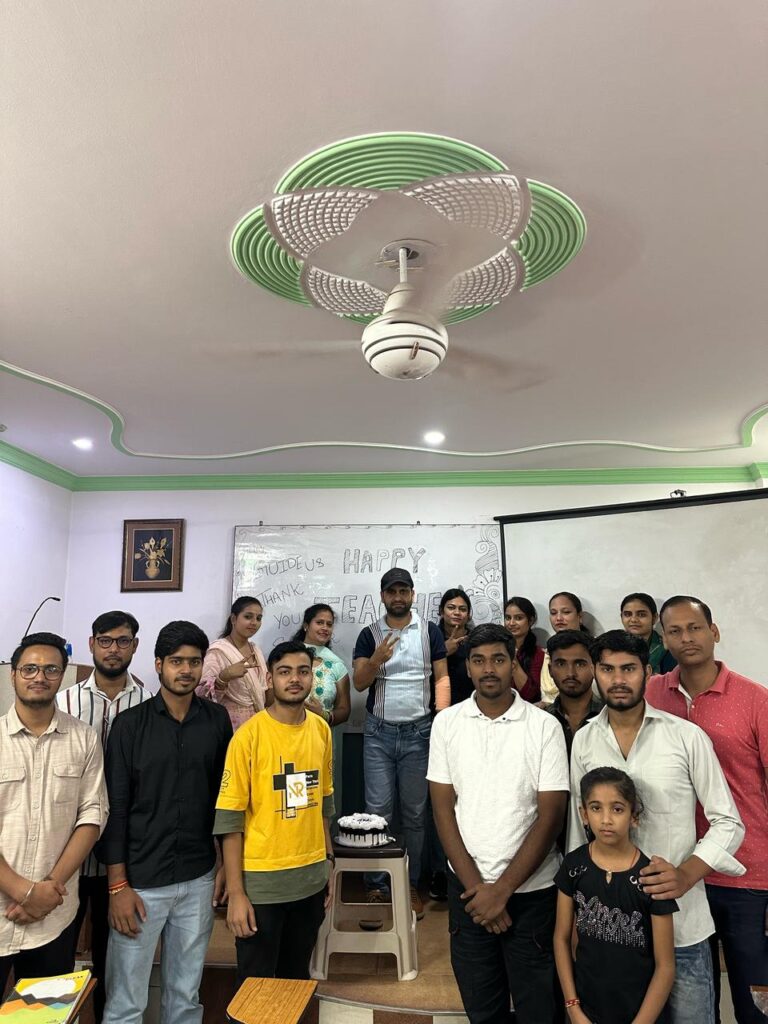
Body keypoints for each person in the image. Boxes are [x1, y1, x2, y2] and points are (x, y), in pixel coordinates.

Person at [569, 630, 746, 1024]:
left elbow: (728, 821)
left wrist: (686, 874)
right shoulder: (584, 741)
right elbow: (579, 834)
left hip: (682, 926)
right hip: (612, 929)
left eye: (628, 669)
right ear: (596, 673)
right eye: (608, 669)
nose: (618, 679)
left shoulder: (685, 737)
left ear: (647, 673)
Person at [428, 623, 569, 1024]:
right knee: (482, 1009)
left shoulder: (544, 726)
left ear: (513, 664)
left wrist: (502, 891)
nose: (488, 669)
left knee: (539, 1010)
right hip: (468, 893)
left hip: (532, 894)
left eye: (498, 659)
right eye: (478, 660)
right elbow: (443, 810)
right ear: (468, 667)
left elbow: (551, 815)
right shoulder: (447, 723)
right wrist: (479, 891)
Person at [99, 621, 233, 1024]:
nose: (186, 670)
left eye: (194, 662)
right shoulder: (129, 726)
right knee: (125, 1003)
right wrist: (117, 886)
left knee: (185, 998)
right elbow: (115, 809)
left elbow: (224, 799)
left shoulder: (216, 721)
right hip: (140, 882)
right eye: (176, 661)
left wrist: (224, 866)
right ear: (158, 664)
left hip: (198, 877)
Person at [648, 596, 768, 1024]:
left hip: (745, 873)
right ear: (664, 640)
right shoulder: (651, 695)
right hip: (677, 869)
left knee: (755, 996)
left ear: (714, 632)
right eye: (675, 631)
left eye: (695, 628)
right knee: (693, 1002)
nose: (686, 638)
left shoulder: (755, 699)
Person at [214, 641, 335, 983]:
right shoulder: (248, 737)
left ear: (311, 677)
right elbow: (230, 820)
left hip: (310, 882)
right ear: (269, 679)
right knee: (256, 989)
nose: (294, 679)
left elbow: (324, 803)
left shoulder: (321, 730)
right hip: (262, 887)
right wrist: (236, 893)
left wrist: (327, 861)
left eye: (302, 671)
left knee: (295, 982)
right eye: (284, 672)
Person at [55, 610, 151, 1024]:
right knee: (57, 952)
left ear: (135, 646)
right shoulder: (63, 702)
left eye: (123, 641)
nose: (114, 649)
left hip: (124, 855)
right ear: (92, 644)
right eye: (106, 640)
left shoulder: (149, 704)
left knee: (116, 955)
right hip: (67, 852)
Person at [0, 632, 107, 992]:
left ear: (62, 676)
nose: (39, 677)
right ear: (13, 674)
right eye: (29, 669)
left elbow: (93, 814)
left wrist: (48, 889)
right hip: (1, 909)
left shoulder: (84, 738)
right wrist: (24, 892)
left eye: (50, 669)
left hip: (54, 916)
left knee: (43, 1014)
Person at [353, 568, 448, 921]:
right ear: (382, 596)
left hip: (419, 734)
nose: (398, 597)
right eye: (391, 591)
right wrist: (376, 660)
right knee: (377, 812)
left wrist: (443, 720)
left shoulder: (429, 630)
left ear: (412, 594)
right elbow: (359, 683)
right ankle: (378, 886)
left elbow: (442, 678)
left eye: (403, 591)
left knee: (415, 815)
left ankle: (409, 884)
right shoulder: (369, 634)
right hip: (378, 734)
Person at [554, 767, 677, 1024]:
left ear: (634, 816)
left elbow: (665, 967)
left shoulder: (652, 878)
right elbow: (561, 938)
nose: (606, 819)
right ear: (584, 814)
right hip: (586, 1011)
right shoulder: (573, 866)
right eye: (596, 808)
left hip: (640, 1012)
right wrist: (573, 1008)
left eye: (617, 809)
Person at [196, 596, 269, 730]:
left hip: (257, 724)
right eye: (248, 617)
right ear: (234, 619)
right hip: (229, 725)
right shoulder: (218, 651)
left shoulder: (256, 650)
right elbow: (200, 695)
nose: (254, 622)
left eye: (258, 618)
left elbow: (264, 690)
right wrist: (223, 677)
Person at [544, 630, 603, 758]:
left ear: (594, 668)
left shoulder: (609, 716)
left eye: (580, 664)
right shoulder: (541, 721)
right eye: (561, 664)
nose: (570, 673)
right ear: (550, 670)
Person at [291, 604, 351, 729]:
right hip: (286, 731)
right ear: (306, 625)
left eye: (329, 624)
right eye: (319, 622)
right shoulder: (285, 657)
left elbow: (344, 710)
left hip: (322, 734)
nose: (325, 628)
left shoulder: (336, 665)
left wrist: (323, 715)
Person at [541, 592, 591, 703]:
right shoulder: (547, 652)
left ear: (580, 617)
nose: (558, 618)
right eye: (553, 613)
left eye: (566, 612)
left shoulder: (594, 648)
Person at [434, 588, 474, 709]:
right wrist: (443, 652)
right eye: (451, 608)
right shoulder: (431, 637)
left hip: (469, 707)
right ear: (441, 611)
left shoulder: (475, 640)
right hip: (436, 708)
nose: (457, 612)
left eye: (462, 609)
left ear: (468, 615)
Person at [621, 593, 676, 675]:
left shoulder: (667, 650)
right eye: (627, 614)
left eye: (641, 615)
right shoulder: (613, 648)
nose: (633, 620)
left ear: (654, 618)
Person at [503, 596, 544, 703]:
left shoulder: (539, 654)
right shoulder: (498, 649)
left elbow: (530, 695)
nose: (511, 623)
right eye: (508, 618)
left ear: (531, 620)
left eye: (518, 618)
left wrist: (513, 660)